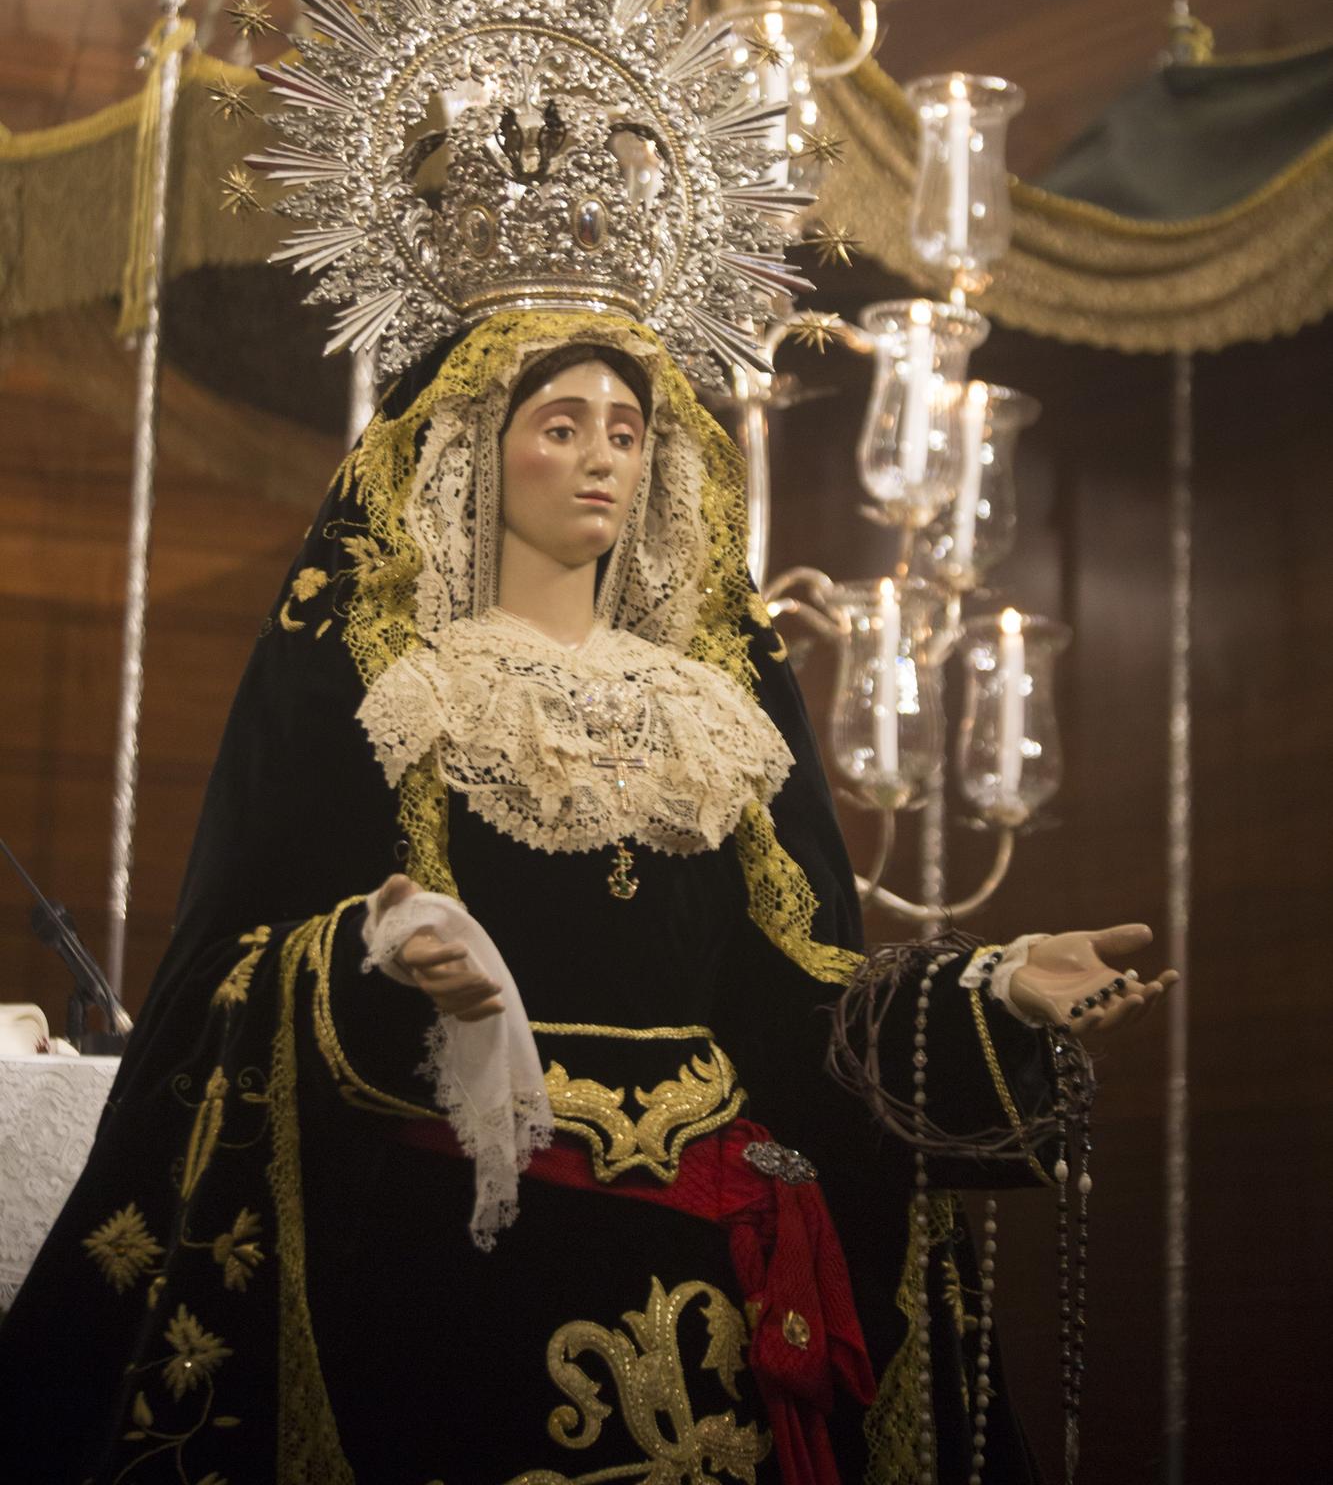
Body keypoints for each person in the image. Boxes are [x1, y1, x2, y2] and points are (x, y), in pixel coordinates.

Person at [0, 309, 1173, 1484]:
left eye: (627, 428)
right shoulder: (389, 693)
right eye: (560, 426)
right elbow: (228, 968)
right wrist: (378, 955)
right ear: (468, 447)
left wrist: (986, 988)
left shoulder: (713, 715)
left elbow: (791, 997)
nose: (604, 455)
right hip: (466, 1246)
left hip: (720, 1251)